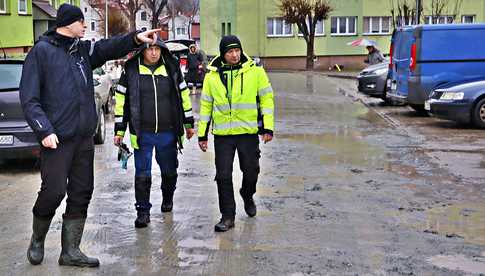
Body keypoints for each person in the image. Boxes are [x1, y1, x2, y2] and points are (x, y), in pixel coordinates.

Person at [19, 3, 159, 267]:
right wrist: (44, 130)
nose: (85, 25)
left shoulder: (81, 51)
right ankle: (37, 239)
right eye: (82, 21)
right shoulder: (41, 53)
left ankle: (70, 250)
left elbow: (107, 48)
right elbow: (29, 99)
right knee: (54, 191)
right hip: (56, 139)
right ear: (68, 23)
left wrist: (134, 38)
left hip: (83, 137)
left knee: (82, 191)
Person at [113, 38, 195, 228]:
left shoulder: (171, 69)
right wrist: (119, 129)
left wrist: (188, 123)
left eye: (157, 49)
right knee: (142, 173)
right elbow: (121, 102)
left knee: (169, 171)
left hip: (168, 133)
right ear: (142, 50)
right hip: (142, 133)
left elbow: (183, 96)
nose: (154, 53)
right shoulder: (131, 71)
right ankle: (143, 211)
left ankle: (168, 198)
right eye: (150, 49)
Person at [197, 35, 275, 232]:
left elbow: (267, 99)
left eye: (237, 51)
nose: (234, 55)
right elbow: (206, 106)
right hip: (223, 135)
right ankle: (228, 216)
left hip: (248, 133)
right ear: (223, 54)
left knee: (251, 171)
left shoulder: (255, 72)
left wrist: (267, 127)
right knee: (223, 176)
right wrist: (202, 135)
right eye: (230, 52)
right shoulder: (211, 77)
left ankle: (247, 195)